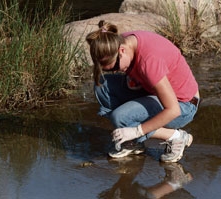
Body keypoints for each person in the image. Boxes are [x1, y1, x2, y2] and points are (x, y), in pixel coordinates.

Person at [85, 20, 200, 163]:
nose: (117, 72)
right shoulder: (121, 42)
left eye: (115, 68)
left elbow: (173, 110)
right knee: (102, 86)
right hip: (154, 92)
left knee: (120, 117)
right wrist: (132, 77)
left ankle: (175, 137)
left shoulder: (150, 61)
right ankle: (133, 143)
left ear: (122, 51)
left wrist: (137, 130)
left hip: (184, 105)